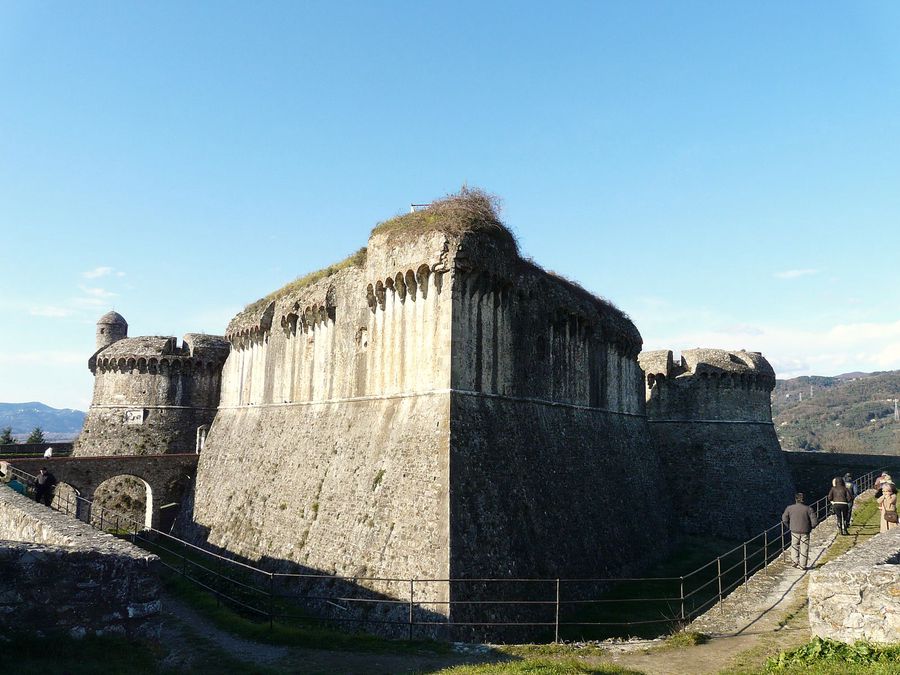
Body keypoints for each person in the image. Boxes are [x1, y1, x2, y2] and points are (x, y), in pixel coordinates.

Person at [782, 493, 818, 570]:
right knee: (804, 547)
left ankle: (795, 561)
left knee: (794, 545)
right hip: (805, 531)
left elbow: (784, 519)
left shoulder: (789, 508)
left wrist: (789, 526)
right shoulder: (809, 509)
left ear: (795, 499)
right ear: (803, 500)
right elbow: (814, 522)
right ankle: (802, 565)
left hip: (794, 530)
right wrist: (810, 528)